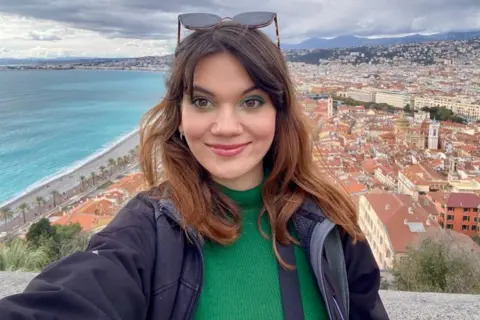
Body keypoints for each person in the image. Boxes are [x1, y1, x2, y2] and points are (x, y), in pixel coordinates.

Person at [0, 12, 388, 320]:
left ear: (279, 112)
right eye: (202, 102)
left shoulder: (331, 227)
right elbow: (77, 296)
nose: (225, 127)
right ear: (179, 118)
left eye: (251, 102)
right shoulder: (146, 230)